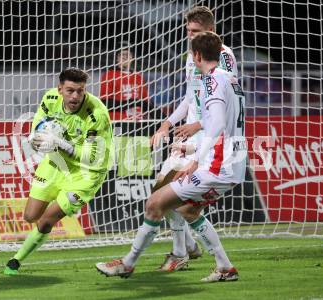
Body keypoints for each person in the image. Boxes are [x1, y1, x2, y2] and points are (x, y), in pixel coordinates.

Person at [96, 31, 246, 282]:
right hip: (233, 164)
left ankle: (128, 263)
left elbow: (218, 123)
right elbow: (227, 124)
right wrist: (192, 148)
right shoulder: (230, 80)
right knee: (188, 210)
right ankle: (224, 267)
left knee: (155, 203)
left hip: (215, 165)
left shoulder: (211, 81)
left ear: (197, 55)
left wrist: (197, 156)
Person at [149, 6, 238, 272]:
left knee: (170, 195)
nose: (190, 36)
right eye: (188, 31)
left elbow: (226, 103)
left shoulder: (224, 56)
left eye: (196, 31)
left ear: (211, 31)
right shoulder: (192, 56)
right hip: (190, 132)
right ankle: (187, 247)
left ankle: (181, 252)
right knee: (161, 190)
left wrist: (197, 126)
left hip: (208, 138)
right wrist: (166, 124)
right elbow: (190, 98)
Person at [4, 68, 113, 275]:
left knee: (46, 219)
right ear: (60, 89)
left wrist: (60, 143)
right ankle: (64, 204)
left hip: (86, 174)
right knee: (30, 216)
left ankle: (15, 261)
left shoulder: (96, 114)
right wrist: (35, 136)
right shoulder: (51, 98)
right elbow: (39, 120)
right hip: (56, 163)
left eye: (80, 91)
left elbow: (91, 158)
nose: (75, 96)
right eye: (70, 91)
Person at [100, 45, 151, 120]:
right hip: (118, 121)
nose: (125, 57)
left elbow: (146, 103)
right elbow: (106, 103)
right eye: (121, 54)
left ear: (132, 58)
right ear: (117, 59)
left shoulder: (138, 77)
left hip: (138, 121)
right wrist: (131, 103)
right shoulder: (109, 75)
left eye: (128, 54)